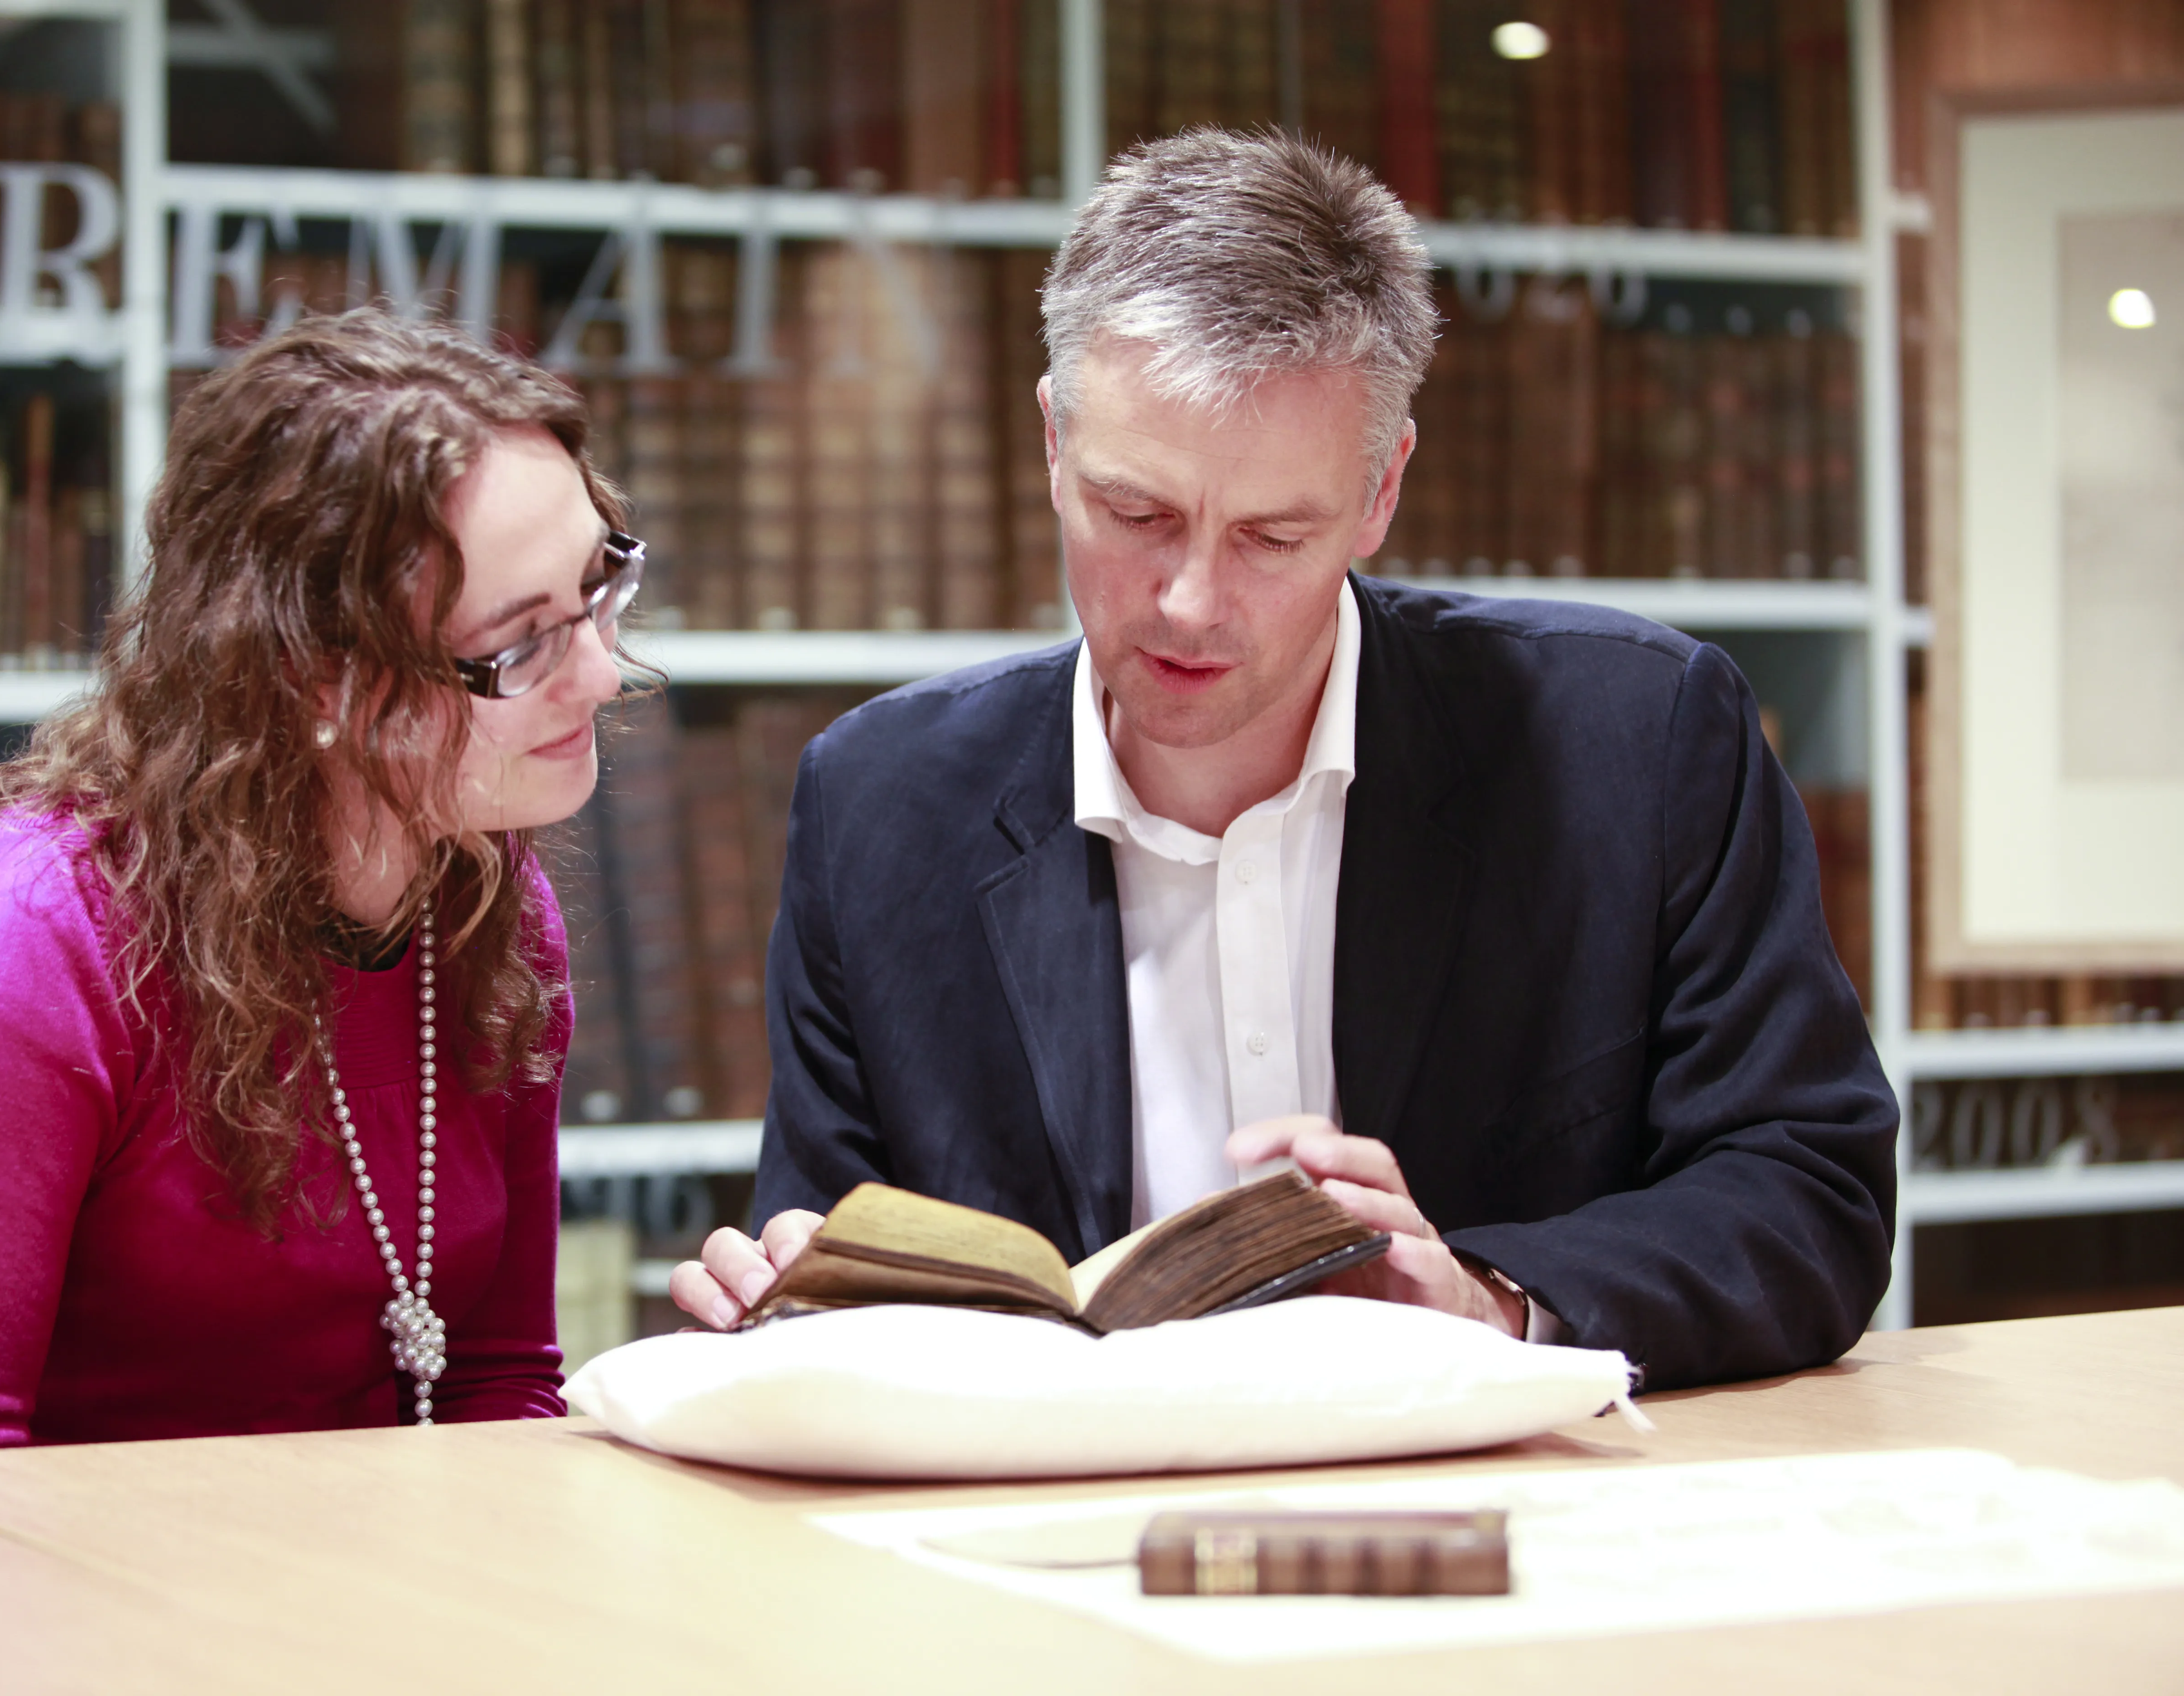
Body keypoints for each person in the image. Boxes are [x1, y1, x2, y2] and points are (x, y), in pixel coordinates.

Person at [671, 130, 1897, 1390]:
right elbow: (828, 1253)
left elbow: (1810, 1192)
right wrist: (782, 1300)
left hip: (1513, 1527)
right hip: (1042, 1542)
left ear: (1382, 491)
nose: (1192, 603)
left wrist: (1488, 1300)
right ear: (1052, 444)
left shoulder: (1634, 743)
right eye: (1137, 515)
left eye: (1272, 536)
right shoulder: (877, 806)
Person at [0, 310, 638, 1455]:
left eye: (603, 586)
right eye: (522, 646)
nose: (603, 673)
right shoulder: (37, 937)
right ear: (316, 677)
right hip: (82, 1614)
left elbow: (500, 1383)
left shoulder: (484, 897)